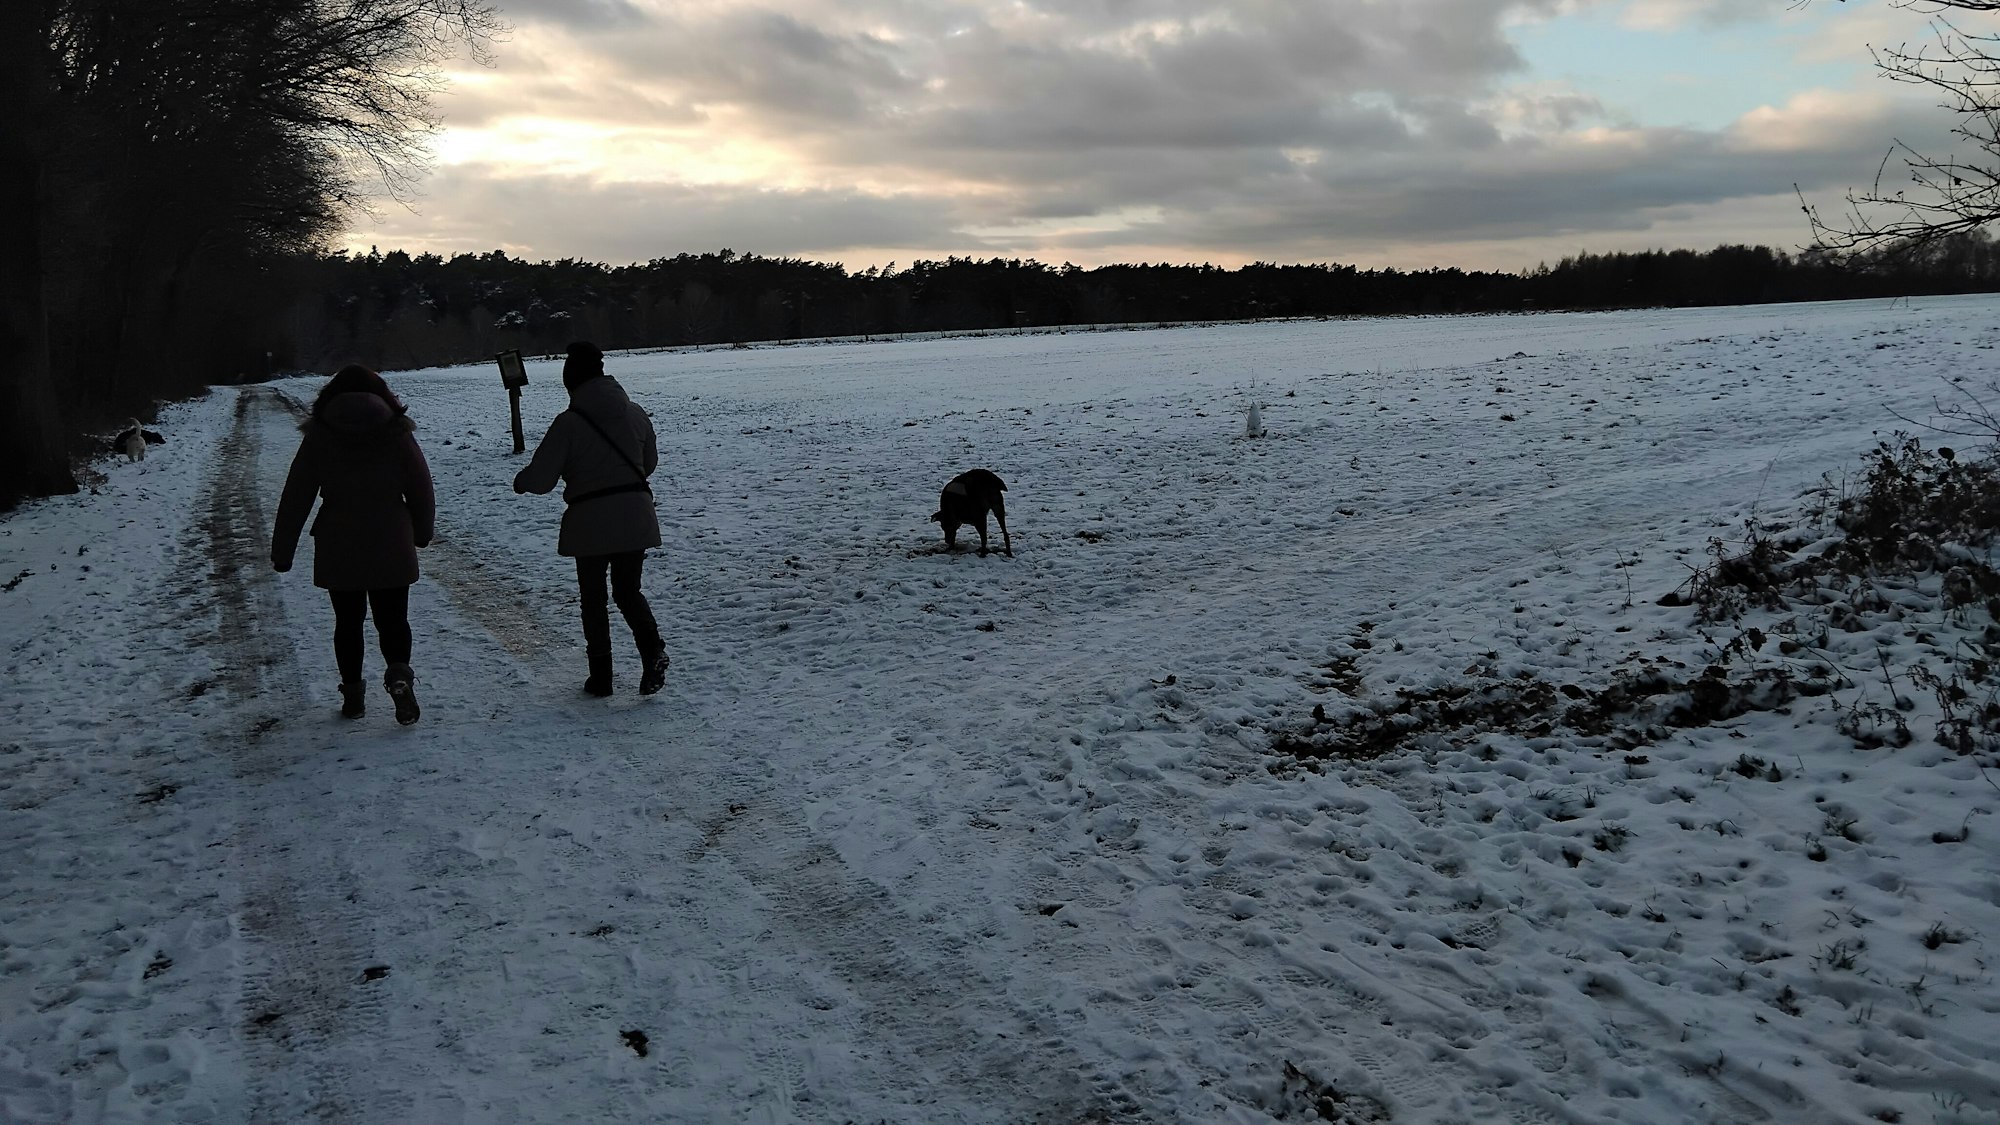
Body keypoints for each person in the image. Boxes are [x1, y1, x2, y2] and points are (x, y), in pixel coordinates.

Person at [271, 365, 435, 723]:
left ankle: (353, 696)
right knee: (393, 621)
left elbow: (296, 495)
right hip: (391, 538)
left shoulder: (320, 435)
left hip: (338, 540)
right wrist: (421, 532)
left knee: (347, 623)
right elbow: (421, 486)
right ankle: (399, 676)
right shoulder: (396, 431)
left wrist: (282, 551)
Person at [513, 342, 670, 697]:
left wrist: (521, 482)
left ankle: (601, 678)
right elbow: (649, 465)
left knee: (594, 599)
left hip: (590, 522)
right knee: (629, 591)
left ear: (572, 383)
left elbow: (541, 480)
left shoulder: (568, 424)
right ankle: (652, 651)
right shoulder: (636, 413)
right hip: (635, 515)